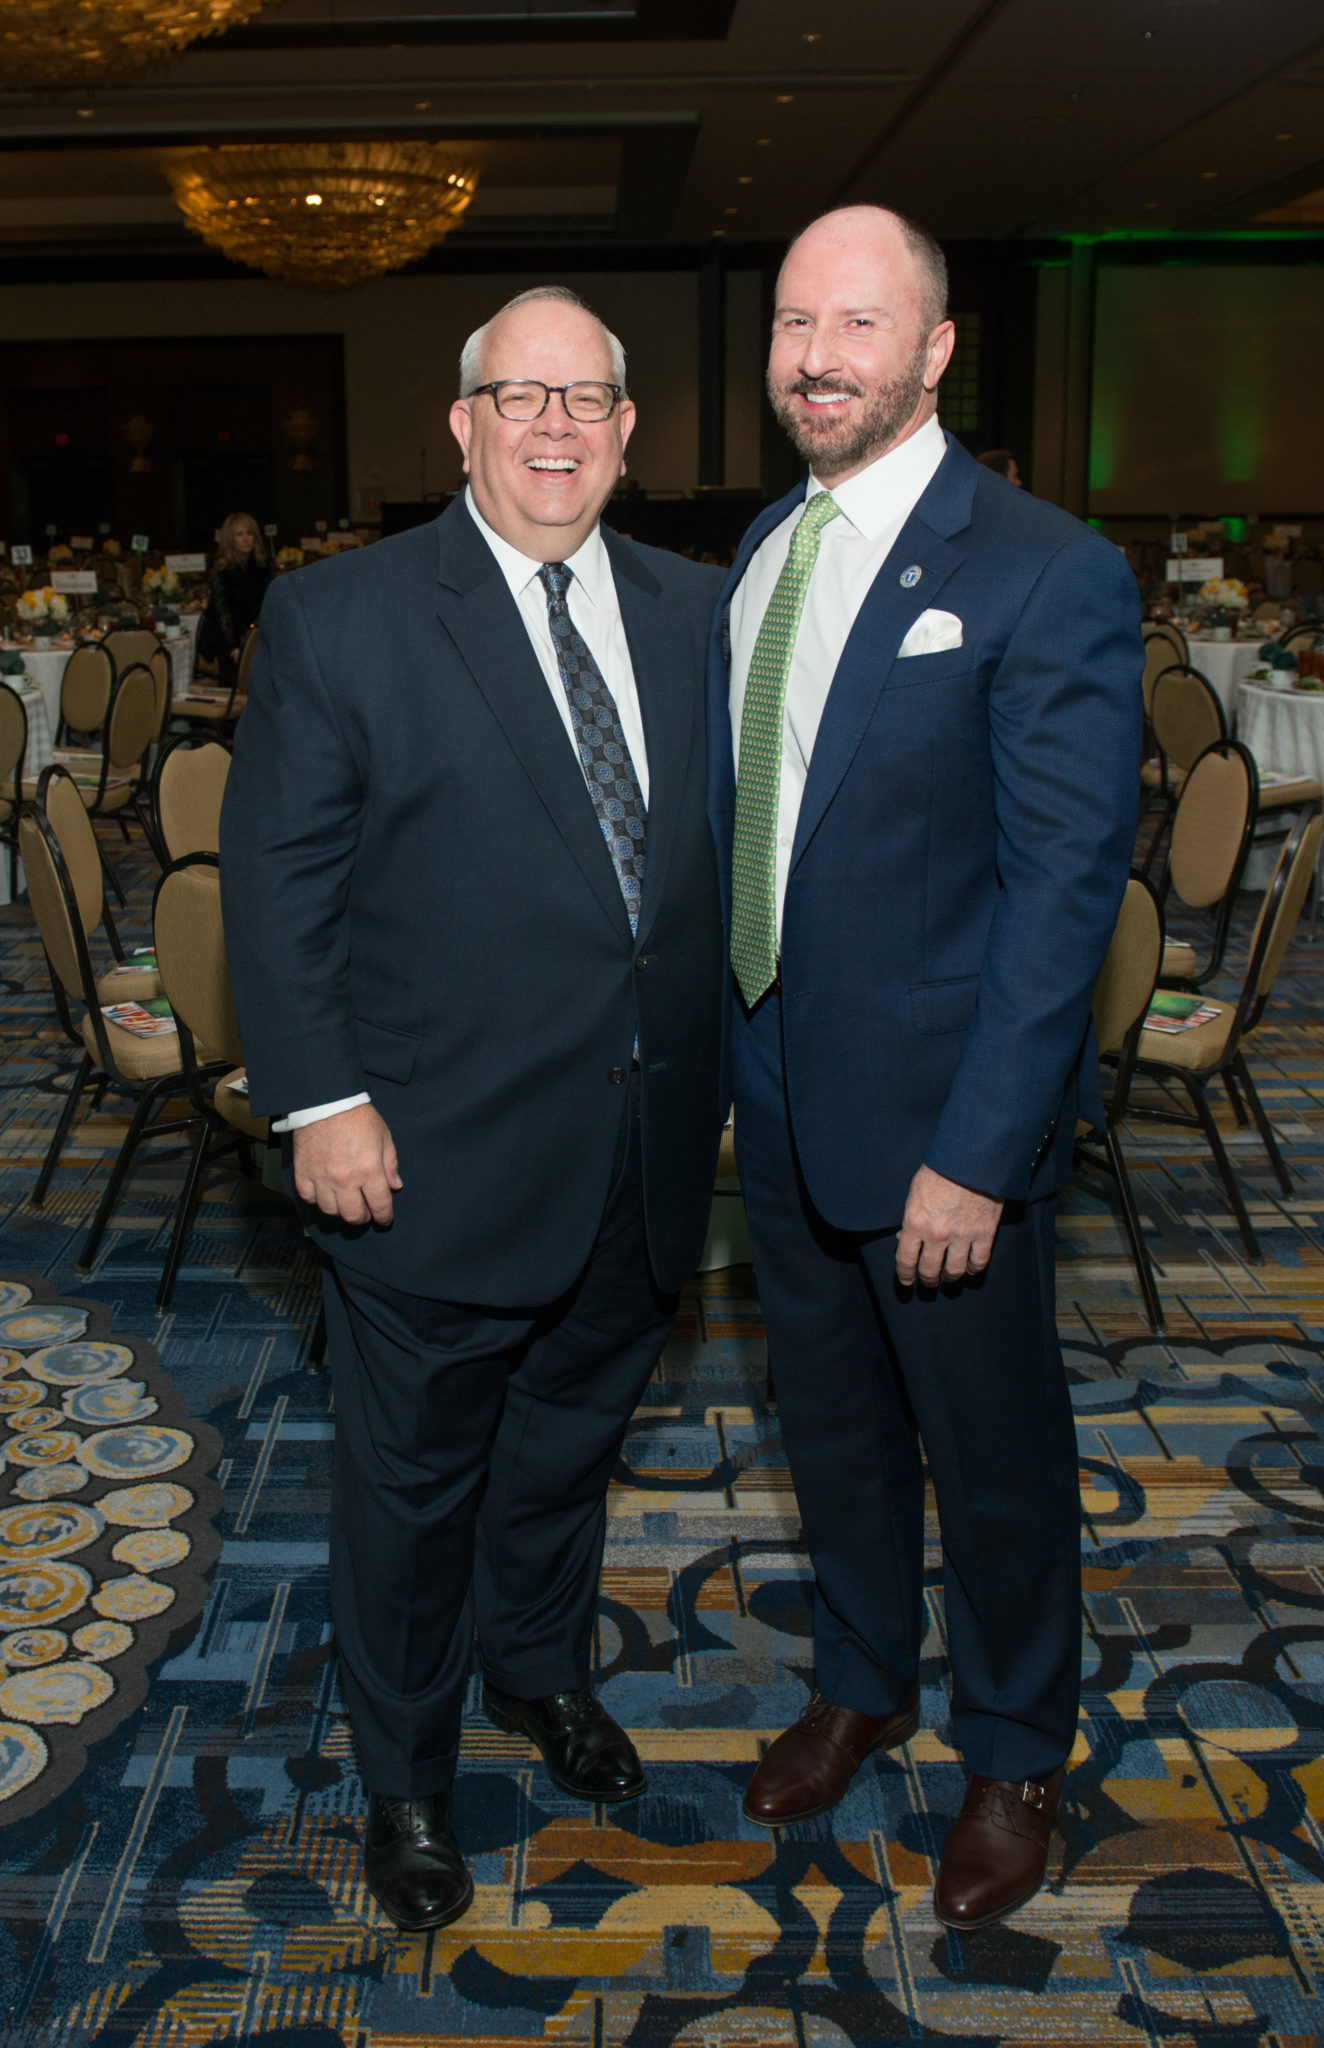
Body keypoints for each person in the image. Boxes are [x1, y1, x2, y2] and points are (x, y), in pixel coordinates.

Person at [220, 287, 724, 1933]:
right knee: (413, 1492)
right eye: (522, 395)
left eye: (588, 397)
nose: (557, 425)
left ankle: (539, 1669)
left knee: (567, 1454)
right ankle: (406, 1774)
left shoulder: (698, 612)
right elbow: (279, 882)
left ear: (628, 430)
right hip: (425, 1156)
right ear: (463, 423)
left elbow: (703, 888)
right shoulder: (344, 614)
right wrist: (321, 1098)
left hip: (641, 1155)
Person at [706, 207, 1140, 1927]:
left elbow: (1060, 899)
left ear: (934, 348)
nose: (814, 355)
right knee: (831, 1437)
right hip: (783, 1100)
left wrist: (976, 1149)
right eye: (793, 322)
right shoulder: (760, 547)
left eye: (857, 324)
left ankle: (1017, 1741)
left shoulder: (1043, 566)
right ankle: (863, 1669)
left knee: (999, 1460)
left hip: (947, 1136)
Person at [203, 512, 271, 683]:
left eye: (249, 533)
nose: (246, 539)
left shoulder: (263, 564)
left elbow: (266, 604)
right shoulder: (221, 568)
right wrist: (234, 646)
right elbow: (223, 612)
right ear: (230, 539)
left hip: (255, 632)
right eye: (239, 534)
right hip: (226, 635)